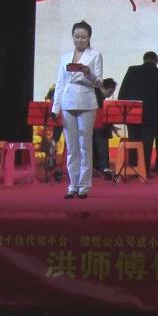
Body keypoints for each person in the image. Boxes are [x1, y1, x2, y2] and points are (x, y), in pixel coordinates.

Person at [51, 20, 103, 199]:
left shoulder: (95, 55)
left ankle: (84, 185)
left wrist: (88, 72)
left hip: (86, 102)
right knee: (71, 147)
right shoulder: (65, 57)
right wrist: (55, 108)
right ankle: (72, 184)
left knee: (84, 145)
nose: (80, 39)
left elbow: (98, 83)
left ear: (89, 38)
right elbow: (60, 83)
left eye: (83, 37)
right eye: (77, 36)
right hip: (67, 103)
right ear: (72, 37)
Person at [119, 51, 158, 174]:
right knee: (147, 143)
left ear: (144, 59)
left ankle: (133, 167)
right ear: (156, 61)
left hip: (132, 113)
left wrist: (122, 113)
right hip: (151, 114)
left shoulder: (132, 70)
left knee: (133, 141)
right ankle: (144, 170)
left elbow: (122, 92)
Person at [92, 78, 117, 180]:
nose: (110, 95)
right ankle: (104, 169)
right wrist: (110, 126)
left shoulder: (99, 96)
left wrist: (111, 126)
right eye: (110, 91)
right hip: (96, 126)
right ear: (102, 88)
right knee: (102, 142)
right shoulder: (96, 97)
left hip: (95, 126)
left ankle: (98, 168)